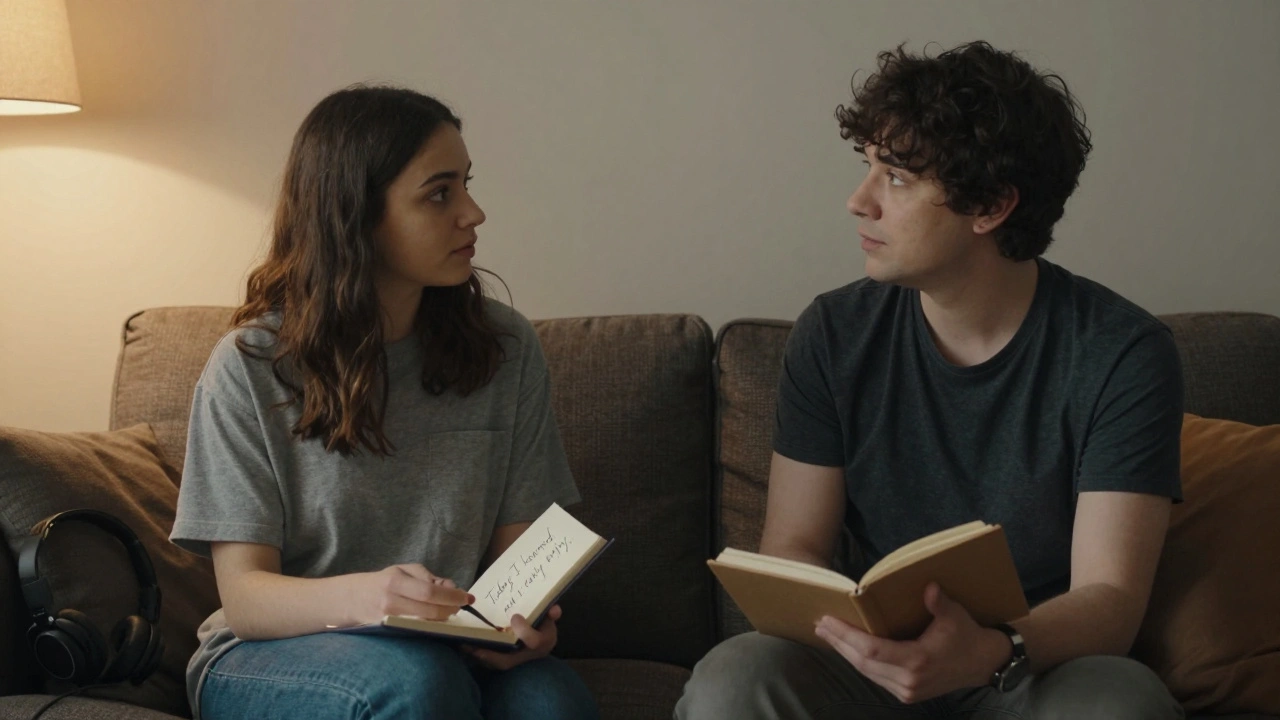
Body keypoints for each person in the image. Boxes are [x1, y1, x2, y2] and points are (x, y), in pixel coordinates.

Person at [677, 41, 1185, 719]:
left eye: (896, 177)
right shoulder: (832, 334)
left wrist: (992, 648)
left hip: (1027, 669)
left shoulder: (1122, 354)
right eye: (866, 168)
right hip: (864, 667)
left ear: (991, 207)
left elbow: (1111, 600)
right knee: (732, 679)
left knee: (1123, 704)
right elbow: (794, 545)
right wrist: (856, 632)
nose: (858, 202)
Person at [170, 85, 600, 720]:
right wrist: (376, 598)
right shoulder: (251, 366)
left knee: (551, 700)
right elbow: (247, 601)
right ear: (357, 214)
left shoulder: (506, 348)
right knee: (415, 684)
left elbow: (518, 561)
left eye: (467, 184)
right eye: (440, 193)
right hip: (270, 654)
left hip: (446, 649)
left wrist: (523, 624)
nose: (474, 212)